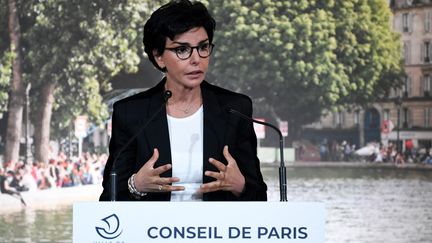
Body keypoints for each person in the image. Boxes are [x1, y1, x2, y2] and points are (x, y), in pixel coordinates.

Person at [99, 0, 267, 201]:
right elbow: (109, 195)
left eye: (203, 47)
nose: (196, 59)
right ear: (159, 56)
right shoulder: (131, 112)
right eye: (182, 49)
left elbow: (259, 196)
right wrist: (136, 185)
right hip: (153, 229)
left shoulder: (235, 108)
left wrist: (240, 186)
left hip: (216, 230)